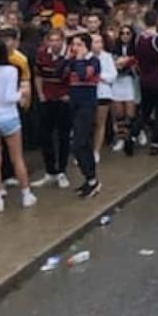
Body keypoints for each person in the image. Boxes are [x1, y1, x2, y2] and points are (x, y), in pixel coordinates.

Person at [0, 40, 36, 211]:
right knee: (17, 158)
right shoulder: (11, 70)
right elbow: (9, 97)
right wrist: (22, 93)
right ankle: (26, 194)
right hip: (9, 118)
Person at [59, 33, 102, 198]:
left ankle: (93, 180)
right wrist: (67, 58)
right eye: (73, 45)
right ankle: (90, 180)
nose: (75, 48)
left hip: (87, 106)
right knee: (83, 145)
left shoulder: (93, 62)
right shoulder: (73, 61)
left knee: (79, 144)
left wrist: (79, 59)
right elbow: (59, 73)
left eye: (79, 44)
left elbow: (84, 75)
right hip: (74, 106)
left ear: (86, 46)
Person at [32, 28, 72, 188]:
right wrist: (41, 94)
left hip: (63, 100)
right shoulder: (42, 54)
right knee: (45, 136)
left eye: (57, 40)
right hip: (47, 99)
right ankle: (50, 171)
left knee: (63, 136)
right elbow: (38, 75)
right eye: (51, 40)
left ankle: (62, 171)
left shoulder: (70, 55)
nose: (54, 43)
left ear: (62, 40)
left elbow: (74, 76)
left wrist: (69, 94)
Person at [134, 11, 158, 156]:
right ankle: (155, 142)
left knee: (145, 111)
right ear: (157, 21)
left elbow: (137, 61)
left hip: (144, 80)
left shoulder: (139, 39)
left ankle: (132, 136)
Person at [111, 24, 139, 156]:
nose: (125, 36)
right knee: (119, 114)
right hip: (117, 81)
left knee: (130, 113)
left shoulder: (136, 49)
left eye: (128, 33)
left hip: (130, 81)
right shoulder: (114, 50)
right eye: (123, 33)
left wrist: (130, 62)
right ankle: (122, 138)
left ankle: (131, 137)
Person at [91, 33, 117, 164]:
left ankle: (96, 151)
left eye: (100, 42)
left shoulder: (107, 57)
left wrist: (99, 76)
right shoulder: (86, 57)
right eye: (95, 42)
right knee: (88, 124)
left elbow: (112, 76)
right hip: (88, 94)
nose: (98, 45)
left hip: (103, 93)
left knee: (100, 123)